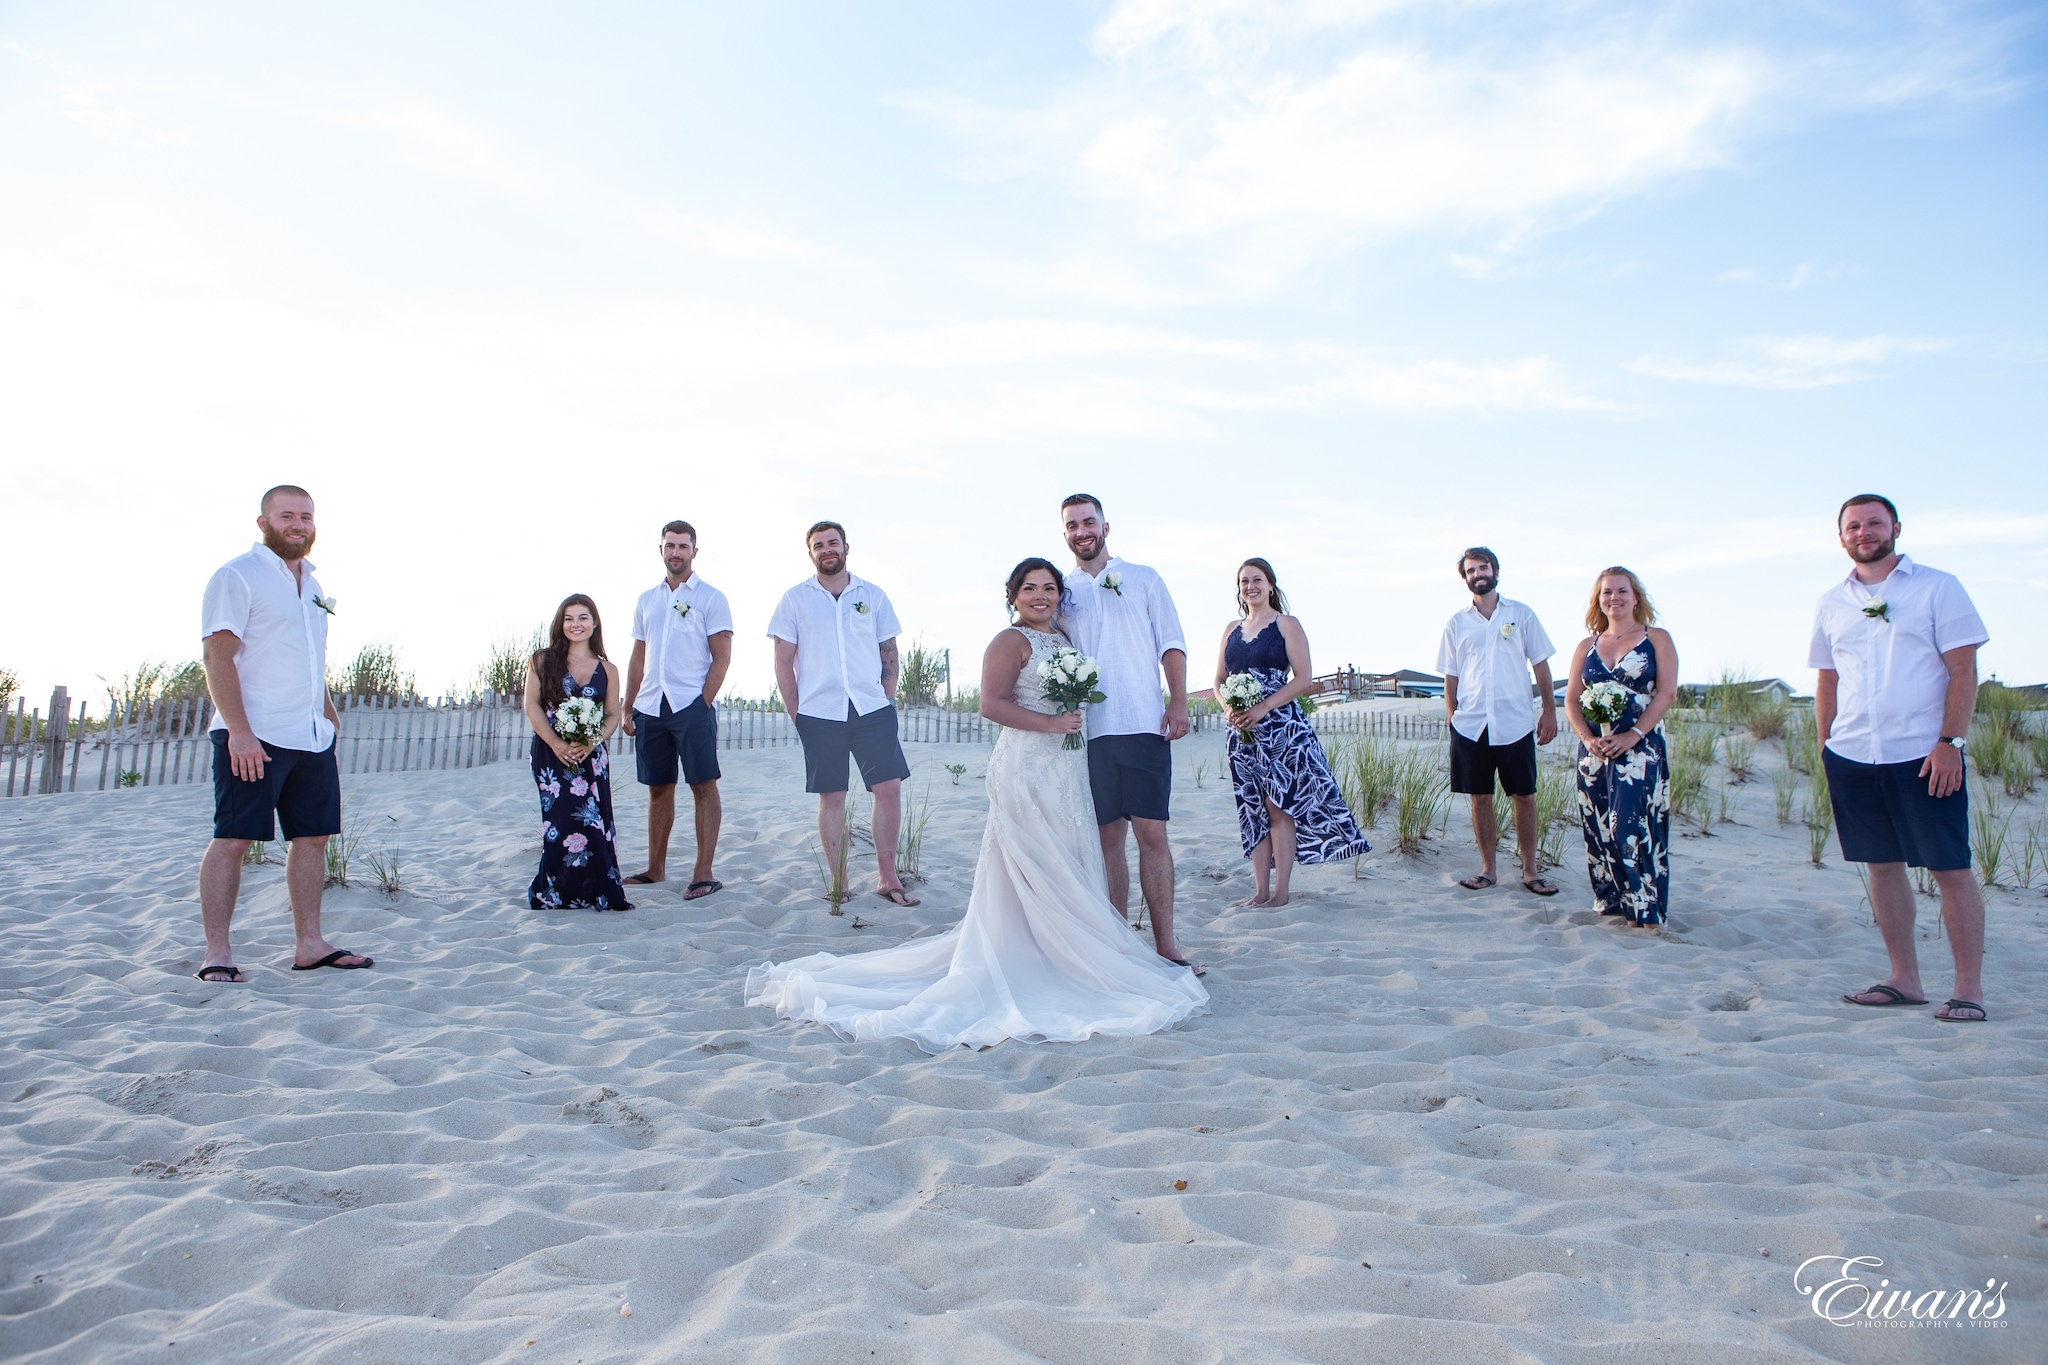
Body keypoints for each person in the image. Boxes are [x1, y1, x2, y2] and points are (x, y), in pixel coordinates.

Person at [746, 559, 1208, 1049]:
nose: (1040, 595)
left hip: (1067, 768)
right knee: (1034, 860)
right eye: (1029, 588)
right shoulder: (1009, 641)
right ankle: (1041, 955)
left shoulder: (1066, 641)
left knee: (1066, 858)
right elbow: (991, 704)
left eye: (1049, 588)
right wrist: (1052, 725)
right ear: (1012, 596)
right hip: (1027, 767)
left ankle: (1072, 949)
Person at [1815, 495, 1990, 1023]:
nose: (1864, 532)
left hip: (1924, 753)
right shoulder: (1832, 600)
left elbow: (1963, 670)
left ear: (1895, 527)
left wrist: (1950, 743)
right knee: (1881, 866)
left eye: (1874, 522)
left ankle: (1968, 990)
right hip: (1853, 755)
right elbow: (1826, 677)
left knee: (1949, 867)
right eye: (1853, 526)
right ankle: (1904, 979)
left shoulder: (1938, 586)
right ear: (1841, 536)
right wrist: (1827, 745)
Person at [193, 485, 371, 981]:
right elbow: (218, 657)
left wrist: (328, 712)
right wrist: (240, 732)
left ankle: (310, 944)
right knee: (233, 839)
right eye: (287, 515)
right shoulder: (237, 576)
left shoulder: (313, 586)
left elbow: (313, 658)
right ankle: (217, 952)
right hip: (256, 734)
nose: (298, 524)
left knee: (312, 838)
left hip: (310, 735)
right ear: (263, 522)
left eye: (306, 517)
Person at [1059, 494, 1195, 963]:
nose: (1082, 531)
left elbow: (1172, 644)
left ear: (1106, 526)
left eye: (1088, 522)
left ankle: (1166, 946)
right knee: (1106, 840)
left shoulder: (1144, 578)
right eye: (1073, 525)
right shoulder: (1061, 591)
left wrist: (1178, 702)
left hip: (1143, 726)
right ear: (1065, 535)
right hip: (1089, 735)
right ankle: (1120, 949)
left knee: (1152, 836)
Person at [768, 521, 919, 908]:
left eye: (832, 542)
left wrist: (886, 698)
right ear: (811, 553)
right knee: (832, 795)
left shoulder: (873, 594)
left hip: (871, 708)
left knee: (888, 789)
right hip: (819, 712)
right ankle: (839, 881)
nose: (826, 549)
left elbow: (889, 650)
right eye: (818, 545)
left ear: (846, 548)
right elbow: (783, 662)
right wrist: (797, 714)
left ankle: (888, 876)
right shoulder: (794, 599)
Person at [1212, 558, 1369, 906]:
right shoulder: (1230, 629)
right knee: (1251, 806)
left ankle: (1281, 891)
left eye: (1257, 579)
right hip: (1240, 731)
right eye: (1243, 582)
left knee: (1277, 804)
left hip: (1281, 726)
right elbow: (1218, 681)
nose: (1250, 586)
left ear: (1270, 585)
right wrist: (1228, 708)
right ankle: (1260, 890)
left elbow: (1303, 677)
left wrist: (1263, 707)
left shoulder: (1286, 624)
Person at [1437, 546, 1560, 896]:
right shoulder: (1457, 623)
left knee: (1524, 795)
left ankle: (1531, 871)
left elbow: (1540, 664)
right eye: (1472, 570)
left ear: (1495, 571)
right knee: (1480, 797)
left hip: (1515, 721)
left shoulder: (1521, 614)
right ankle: (1488, 869)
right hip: (1471, 724)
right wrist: (1453, 719)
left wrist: (1549, 710)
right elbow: (1451, 676)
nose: (1479, 574)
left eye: (1484, 567)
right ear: (1465, 578)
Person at [621, 520, 733, 899]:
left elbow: (722, 655)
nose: (676, 553)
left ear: (694, 552)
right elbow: (638, 657)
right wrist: (628, 706)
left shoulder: (711, 597)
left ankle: (703, 871)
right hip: (650, 705)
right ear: (661, 550)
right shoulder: (647, 599)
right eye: (670, 546)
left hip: (690, 705)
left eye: (683, 546)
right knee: (658, 788)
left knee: (703, 785)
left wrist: (703, 702)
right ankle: (656, 868)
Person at [1564, 568, 1678, 926]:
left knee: (1631, 825)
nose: (1614, 597)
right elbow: (1570, 699)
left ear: (1636, 596)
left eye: (1621, 591)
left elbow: (1667, 693)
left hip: (1640, 751)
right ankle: (1613, 901)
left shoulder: (1656, 638)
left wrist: (1634, 735)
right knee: (1598, 826)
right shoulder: (1587, 646)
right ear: (1598, 601)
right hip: (1595, 753)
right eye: (1606, 592)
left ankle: (1643, 908)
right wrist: (1587, 738)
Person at [524, 595, 632, 911]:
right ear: (561, 624)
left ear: (594, 623)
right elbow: (531, 705)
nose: (576, 624)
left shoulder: (608, 669)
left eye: (583, 617)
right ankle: (556, 892)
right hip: (551, 755)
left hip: (591, 757)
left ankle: (598, 891)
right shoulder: (543, 661)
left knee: (595, 824)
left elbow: (612, 714)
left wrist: (592, 741)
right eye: (569, 618)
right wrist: (557, 744)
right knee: (560, 824)